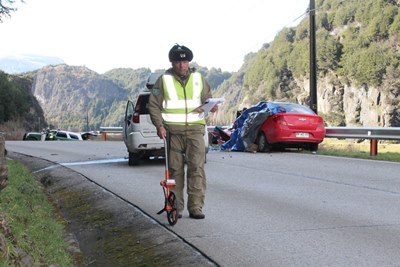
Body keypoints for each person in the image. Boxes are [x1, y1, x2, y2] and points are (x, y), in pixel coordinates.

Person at [148, 44, 217, 219]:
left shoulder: (199, 79)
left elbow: (207, 100)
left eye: (185, 61)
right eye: (178, 61)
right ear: (172, 62)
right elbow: (153, 105)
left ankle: (196, 208)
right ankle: (176, 207)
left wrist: (212, 106)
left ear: (189, 62)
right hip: (173, 133)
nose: (181, 65)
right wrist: (159, 125)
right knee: (175, 171)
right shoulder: (163, 80)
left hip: (195, 132)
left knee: (196, 169)